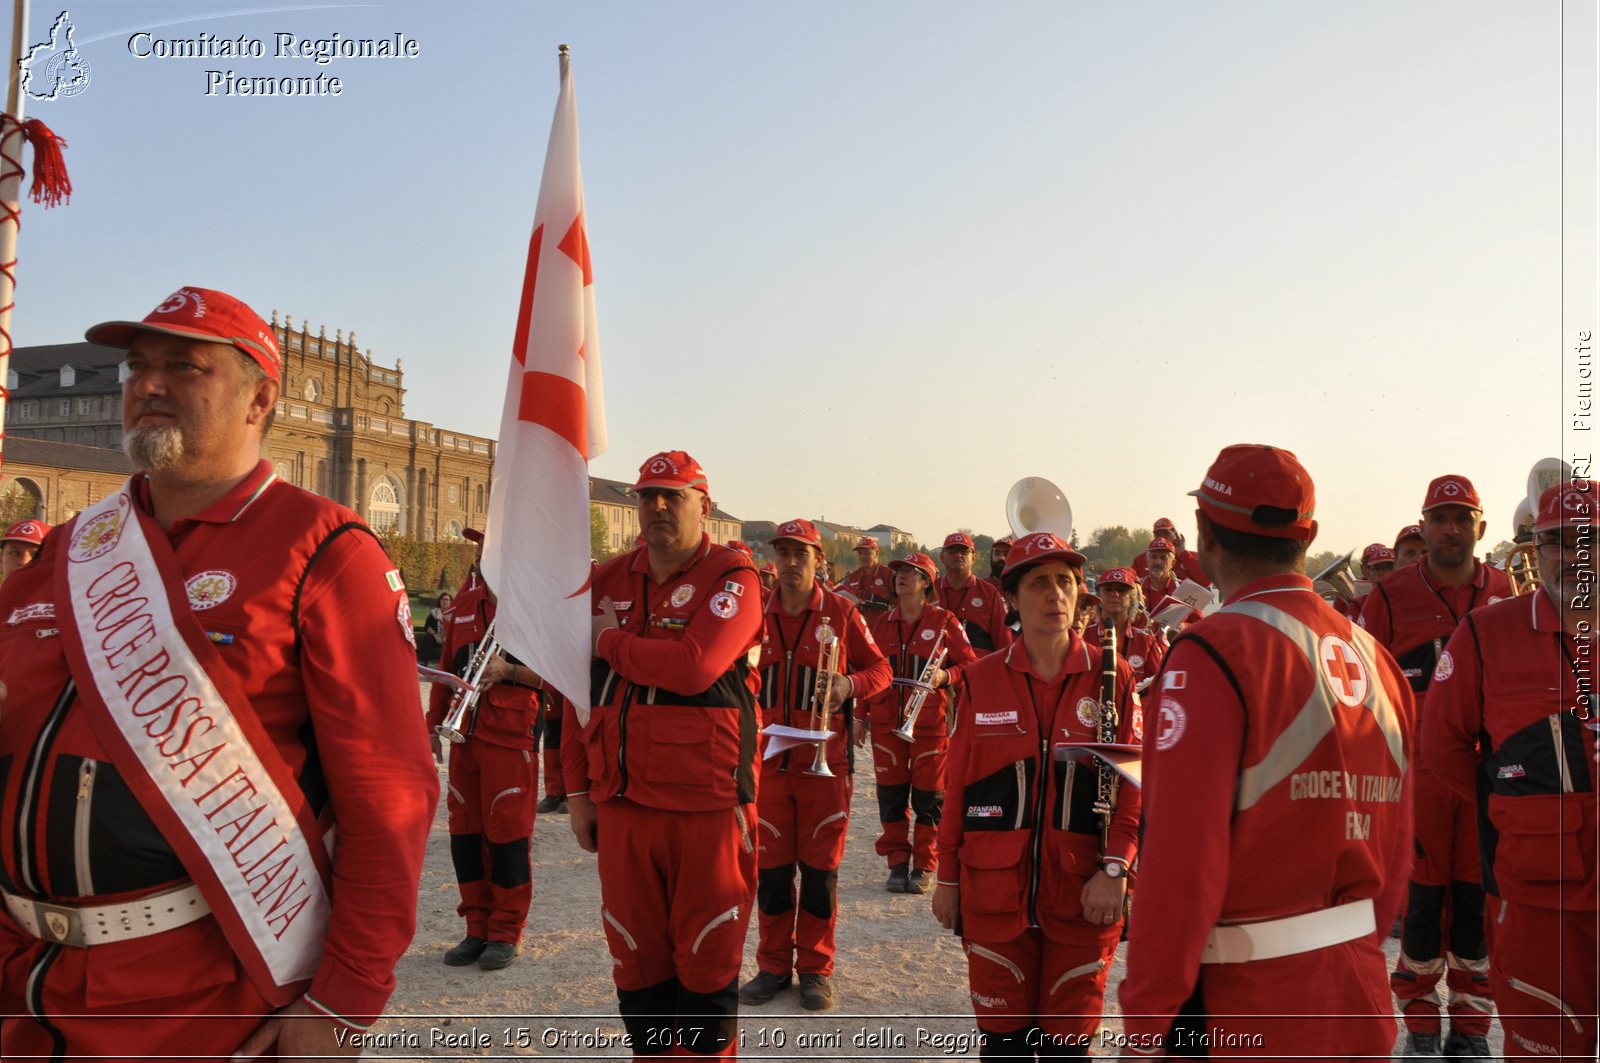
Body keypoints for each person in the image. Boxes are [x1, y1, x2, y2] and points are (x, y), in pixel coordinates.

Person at [0, 286, 437, 1059]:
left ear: (260, 398)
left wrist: (344, 998)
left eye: (183, 366)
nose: (149, 384)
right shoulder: (70, 551)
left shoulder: (326, 553)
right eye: (137, 367)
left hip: (198, 988)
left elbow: (389, 797)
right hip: (27, 983)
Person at [1120, 444, 1414, 1059]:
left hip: (1247, 1004)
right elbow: (1397, 849)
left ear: (1203, 536)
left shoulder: (1214, 649)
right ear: (1308, 536)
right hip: (1359, 994)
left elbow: (1181, 861)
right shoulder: (1376, 658)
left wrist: (1146, 1024)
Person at [565, 450, 763, 1058]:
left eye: (671, 496)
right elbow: (572, 691)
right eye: (646, 496)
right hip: (622, 804)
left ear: (703, 505)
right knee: (636, 966)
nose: (655, 507)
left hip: (706, 808)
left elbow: (694, 665)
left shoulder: (736, 578)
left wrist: (607, 640)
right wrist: (577, 792)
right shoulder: (607, 578)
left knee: (706, 965)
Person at [934, 532, 1141, 1059]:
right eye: (1040, 583)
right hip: (993, 894)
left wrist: (1115, 869)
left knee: (1065, 1051)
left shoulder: (1112, 678)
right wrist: (948, 879)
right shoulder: (980, 680)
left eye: (1066, 582)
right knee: (1002, 1049)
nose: (1055, 595)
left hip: (1083, 896)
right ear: (1013, 598)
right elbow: (957, 786)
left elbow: (1135, 789)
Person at [1424, 480, 1599, 1061]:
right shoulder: (1487, 633)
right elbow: (1444, 746)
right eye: (1557, 541)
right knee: (1548, 1048)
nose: (1574, 556)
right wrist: (1512, 803)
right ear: (1535, 548)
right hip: (1536, 898)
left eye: (1590, 540)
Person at [1360, 474, 1511, 1058]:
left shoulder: (1508, 590)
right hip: (1418, 773)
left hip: (1489, 771)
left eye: (1461, 518)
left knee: (1477, 902)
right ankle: (1420, 1014)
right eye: (1439, 518)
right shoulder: (1390, 595)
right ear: (1423, 526)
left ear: (1480, 527)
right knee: (1422, 901)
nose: (1450, 529)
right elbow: (1367, 692)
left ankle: (1471, 1027)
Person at [739, 519, 891, 1012]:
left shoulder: (843, 611)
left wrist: (850, 686)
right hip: (769, 761)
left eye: (799, 554)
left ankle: (816, 970)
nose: (788, 563)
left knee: (820, 872)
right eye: (782, 554)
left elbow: (881, 669)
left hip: (827, 762)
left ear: (817, 560)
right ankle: (772, 966)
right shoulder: (754, 611)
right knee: (773, 871)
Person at [426, 530, 542, 971]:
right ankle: (476, 926)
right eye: (480, 547)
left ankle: (506, 930)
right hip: (464, 735)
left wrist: (510, 670)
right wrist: (432, 724)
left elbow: (561, 678)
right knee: (465, 836)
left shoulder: (533, 604)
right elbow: (446, 665)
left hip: (510, 735)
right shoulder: (464, 599)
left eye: (491, 546)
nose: (482, 553)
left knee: (508, 836)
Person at [859, 552, 977, 894]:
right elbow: (867, 670)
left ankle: (925, 865)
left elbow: (970, 665)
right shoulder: (881, 623)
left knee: (929, 799)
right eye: (899, 571)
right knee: (891, 797)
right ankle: (897, 863)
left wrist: (945, 674)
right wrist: (858, 717)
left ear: (926, 581)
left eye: (912, 572)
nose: (902, 577)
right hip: (885, 722)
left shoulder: (945, 621)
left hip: (929, 724)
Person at [1084, 566, 1167, 689]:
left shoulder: (1147, 642)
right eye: (1108, 589)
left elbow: (1156, 688)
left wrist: (1134, 707)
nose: (1115, 594)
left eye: (1122, 590)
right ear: (1099, 597)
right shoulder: (1083, 637)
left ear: (1131, 599)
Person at [937, 532, 1014, 653]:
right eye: (952, 551)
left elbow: (1003, 645)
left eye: (964, 552)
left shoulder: (990, 593)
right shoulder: (929, 591)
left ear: (973, 557)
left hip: (979, 670)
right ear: (942, 557)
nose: (958, 555)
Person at [1132, 518, 1210, 587]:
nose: (1162, 537)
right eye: (1158, 534)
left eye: (1166, 533)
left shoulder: (1190, 557)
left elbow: (1206, 581)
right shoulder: (1142, 559)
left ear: (1175, 534)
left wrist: (1183, 554)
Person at [838, 536, 895, 616]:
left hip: (881, 624)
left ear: (876, 553)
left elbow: (900, 604)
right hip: (858, 624)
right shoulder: (853, 576)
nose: (863, 556)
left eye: (867, 553)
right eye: (860, 553)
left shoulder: (888, 574)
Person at [1137, 537, 1182, 610]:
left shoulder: (1184, 589)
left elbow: (1198, 620)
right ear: (1146, 561)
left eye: (1163, 558)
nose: (1158, 562)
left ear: (1172, 563)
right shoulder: (1135, 588)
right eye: (1153, 557)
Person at [418, 589, 454, 666]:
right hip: (435, 640)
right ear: (440, 601)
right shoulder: (434, 613)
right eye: (443, 599)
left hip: (448, 641)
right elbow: (427, 627)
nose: (445, 601)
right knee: (427, 638)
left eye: (447, 600)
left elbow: (455, 630)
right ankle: (423, 661)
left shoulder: (453, 615)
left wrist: (446, 637)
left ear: (451, 602)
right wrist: (435, 635)